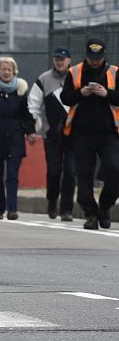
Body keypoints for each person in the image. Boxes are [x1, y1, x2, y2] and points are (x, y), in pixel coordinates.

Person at [60, 38, 119, 230]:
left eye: (98, 58)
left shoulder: (115, 72)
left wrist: (107, 94)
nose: (95, 61)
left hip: (108, 133)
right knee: (84, 174)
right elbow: (65, 97)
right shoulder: (74, 71)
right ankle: (91, 213)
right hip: (82, 133)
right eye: (92, 58)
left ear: (104, 56)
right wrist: (81, 92)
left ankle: (105, 206)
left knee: (114, 169)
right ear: (86, 55)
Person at [0, 57, 38, 220]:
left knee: (12, 175)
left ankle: (12, 209)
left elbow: (27, 114)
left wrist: (30, 132)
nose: (6, 72)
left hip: (15, 136)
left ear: (14, 72)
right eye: (3, 69)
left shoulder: (20, 89)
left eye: (9, 70)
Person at [27, 47, 76, 221]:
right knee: (54, 171)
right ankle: (52, 200)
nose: (59, 62)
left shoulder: (77, 77)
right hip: (52, 134)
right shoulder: (44, 79)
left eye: (63, 59)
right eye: (57, 59)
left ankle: (67, 209)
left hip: (74, 134)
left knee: (70, 171)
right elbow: (33, 105)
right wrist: (33, 129)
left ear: (69, 60)